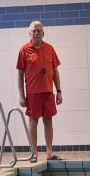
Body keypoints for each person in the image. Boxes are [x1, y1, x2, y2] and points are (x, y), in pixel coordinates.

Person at [16, 20, 63, 163]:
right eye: (34, 31)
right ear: (29, 33)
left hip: (48, 92)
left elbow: (55, 71)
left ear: (43, 33)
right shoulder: (24, 50)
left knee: (48, 121)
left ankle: (49, 152)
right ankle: (34, 154)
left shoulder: (50, 49)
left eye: (39, 31)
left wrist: (59, 91)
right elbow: (20, 75)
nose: (36, 33)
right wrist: (22, 96)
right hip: (32, 93)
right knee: (33, 122)